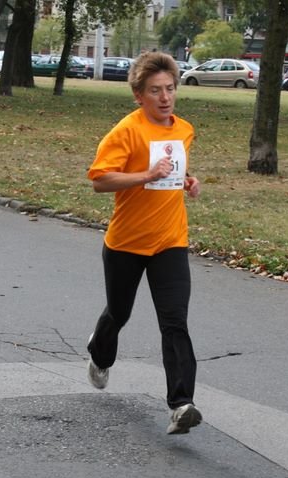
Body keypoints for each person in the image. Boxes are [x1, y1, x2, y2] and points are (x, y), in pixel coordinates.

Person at [85, 51, 203, 435]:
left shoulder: (183, 129)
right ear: (139, 95)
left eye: (170, 89)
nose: (165, 97)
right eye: (156, 91)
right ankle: (99, 352)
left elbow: (173, 172)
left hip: (170, 240)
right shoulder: (126, 131)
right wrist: (145, 175)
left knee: (175, 322)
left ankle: (181, 404)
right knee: (119, 313)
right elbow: (100, 180)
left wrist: (188, 180)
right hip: (126, 243)